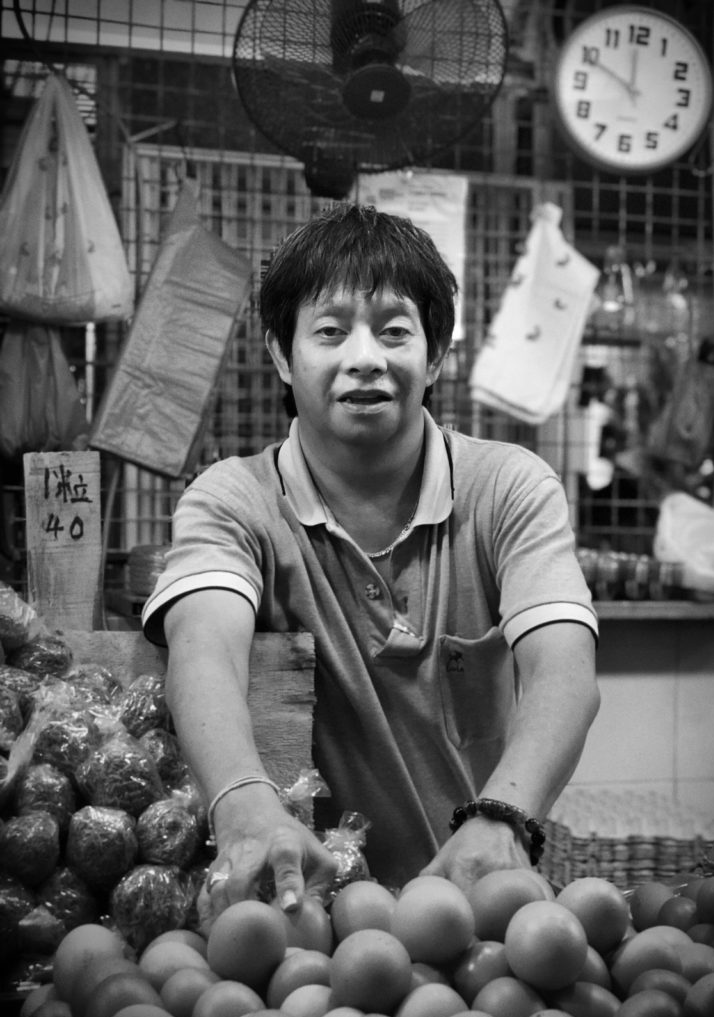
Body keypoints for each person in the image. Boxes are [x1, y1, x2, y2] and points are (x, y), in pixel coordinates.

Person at [142, 202, 600, 930]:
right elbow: (203, 652)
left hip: (474, 909)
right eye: (330, 331)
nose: (365, 357)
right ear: (282, 354)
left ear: (435, 355)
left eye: (394, 331)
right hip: (296, 912)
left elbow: (564, 673)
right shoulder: (233, 500)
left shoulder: (508, 487)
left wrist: (504, 816)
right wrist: (242, 804)